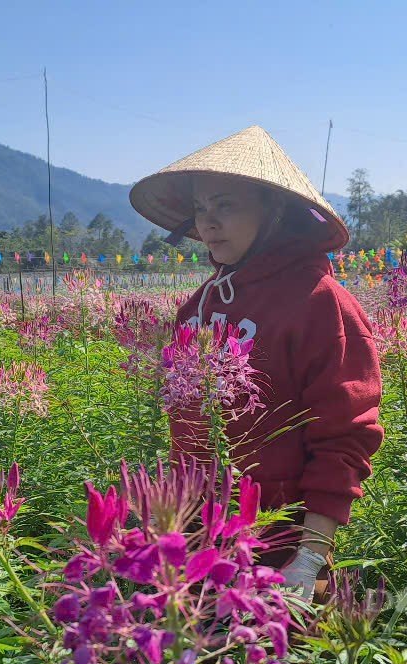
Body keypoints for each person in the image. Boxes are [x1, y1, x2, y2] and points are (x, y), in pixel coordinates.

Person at [129, 126, 384, 599]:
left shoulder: (321, 303)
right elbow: (185, 430)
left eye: (225, 205)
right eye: (200, 209)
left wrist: (309, 556)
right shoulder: (198, 307)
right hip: (197, 536)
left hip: (281, 545)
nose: (207, 224)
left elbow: (346, 436)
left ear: (275, 210)